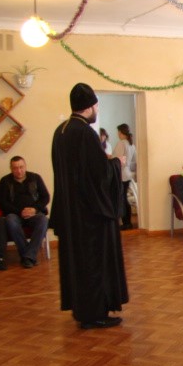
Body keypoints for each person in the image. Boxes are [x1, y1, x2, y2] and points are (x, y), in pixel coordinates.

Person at [50, 82, 129, 330]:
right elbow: (99, 175)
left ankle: (81, 309)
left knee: (78, 264)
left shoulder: (61, 131)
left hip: (71, 212)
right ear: (90, 106)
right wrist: (116, 163)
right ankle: (94, 314)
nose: (97, 110)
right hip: (90, 216)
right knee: (93, 263)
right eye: (96, 106)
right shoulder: (85, 133)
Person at [0, 156, 50, 269]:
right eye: (15, 168)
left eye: (21, 167)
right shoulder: (5, 181)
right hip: (15, 214)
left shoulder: (35, 178)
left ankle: (27, 256)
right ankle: (29, 256)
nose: (19, 170)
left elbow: (45, 197)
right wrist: (19, 212)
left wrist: (34, 209)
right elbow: (2, 202)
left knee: (43, 220)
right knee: (10, 220)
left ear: (25, 166)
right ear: (11, 168)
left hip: (33, 213)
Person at [113, 123, 136, 230]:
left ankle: (126, 222)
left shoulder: (121, 143)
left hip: (121, 174)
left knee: (121, 199)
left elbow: (117, 160)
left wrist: (109, 157)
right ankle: (127, 222)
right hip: (127, 174)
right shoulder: (131, 144)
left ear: (120, 132)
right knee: (124, 198)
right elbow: (133, 162)